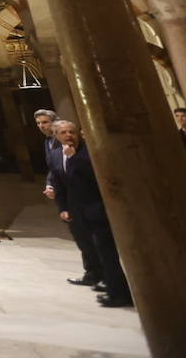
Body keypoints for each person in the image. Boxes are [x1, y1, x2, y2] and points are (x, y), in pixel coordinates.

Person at [49, 120, 132, 307]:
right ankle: (104, 282)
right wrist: (62, 208)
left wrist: (74, 158)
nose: (68, 135)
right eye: (63, 132)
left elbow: (97, 177)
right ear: (56, 135)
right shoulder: (55, 155)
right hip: (76, 213)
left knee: (107, 253)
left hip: (96, 210)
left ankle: (118, 293)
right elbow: (59, 183)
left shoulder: (88, 152)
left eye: (72, 131)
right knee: (88, 249)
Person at [36, 109, 102, 288]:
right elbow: (54, 168)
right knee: (81, 237)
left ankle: (100, 273)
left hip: (86, 197)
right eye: (39, 123)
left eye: (45, 122)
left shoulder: (72, 145)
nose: (42, 126)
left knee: (95, 240)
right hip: (68, 197)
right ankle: (92, 272)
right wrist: (51, 185)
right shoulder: (49, 143)